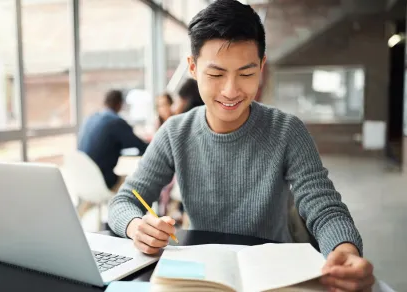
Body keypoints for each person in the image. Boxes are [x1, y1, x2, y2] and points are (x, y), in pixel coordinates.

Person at [108, 1, 374, 291]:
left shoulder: (287, 130)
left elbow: (324, 208)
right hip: (202, 274)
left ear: (261, 66)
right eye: (216, 74)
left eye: (246, 74)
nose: (231, 91)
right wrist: (136, 227)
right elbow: (124, 202)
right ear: (193, 68)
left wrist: (345, 250)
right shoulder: (175, 132)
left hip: (274, 275)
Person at [78, 89, 148, 194]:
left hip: (82, 179)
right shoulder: (116, 123)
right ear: (120, 104)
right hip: (103, 181)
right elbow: (142, 147)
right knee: (139, 183)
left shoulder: (90, 118)